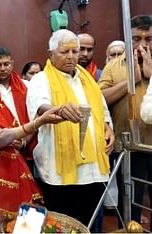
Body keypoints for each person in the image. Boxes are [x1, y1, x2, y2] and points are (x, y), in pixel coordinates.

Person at [27, 29, 115, 226]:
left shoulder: (87, 80)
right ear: (50, 54)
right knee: (62, 225)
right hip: (60, 172)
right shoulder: (41, 80)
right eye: (64, 52)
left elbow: (101, 110)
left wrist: (108, 128)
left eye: (74, 51)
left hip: (93, 169)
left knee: (91, 225)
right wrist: (59, 109)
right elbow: (40, 107)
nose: (71, 56)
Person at [0, 67, 63, 233]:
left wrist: (20, 141)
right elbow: (0, 137)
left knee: (13, 222)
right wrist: (38, 122)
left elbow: (15, 129)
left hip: (11, 169)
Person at [99, 15, 152, 229]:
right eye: (136, 38)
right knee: (130, 204)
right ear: (127, 39)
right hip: (128, 148)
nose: (142, 44)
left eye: (148, 38)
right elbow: (99, 98)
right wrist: (131, 82)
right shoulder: (113, 66)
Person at [0, 46, 37, 173]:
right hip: (0, 150)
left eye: (6, 64)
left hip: (28, 144)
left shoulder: (27, 86)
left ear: (12, 64)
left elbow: (36, 117)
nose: (3, 68)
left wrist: (25, 141)